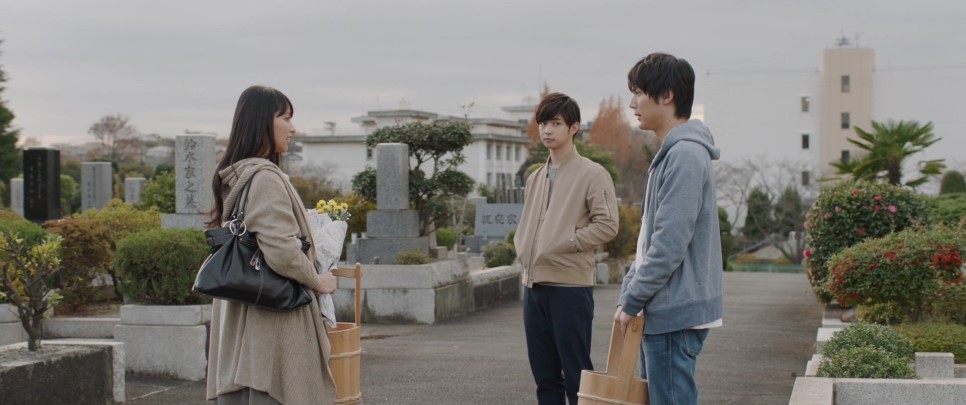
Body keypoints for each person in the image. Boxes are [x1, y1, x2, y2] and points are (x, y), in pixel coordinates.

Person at [206, 85, 338, 405]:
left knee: (250, 389)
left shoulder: (239, 175)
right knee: (275, 388)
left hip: (244, 311)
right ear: (262, 121)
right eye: (286, 118)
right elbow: (281, 251)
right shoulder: (265, 177)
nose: (293, 128)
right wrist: (316, 280)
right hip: (273, 317)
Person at [615, 53, 723, 405]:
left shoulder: (684, 155)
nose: (632, 103)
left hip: (674, 312)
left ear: (667, 95)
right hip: (664, 309)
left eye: (639, 92)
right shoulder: (673, 153)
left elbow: (669, 243)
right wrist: (630, 294)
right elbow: (651, 238)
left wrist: (632, 298)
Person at [515, 92, 619, 405]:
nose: (547, 130)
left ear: (574, 128)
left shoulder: (592, 173)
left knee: (577, 377)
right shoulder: (535, 177)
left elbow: (607, 225)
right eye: (543, 123)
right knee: (544, 377)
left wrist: (567, 241)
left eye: (556, 123)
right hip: (533, 287)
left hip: (570, 289)